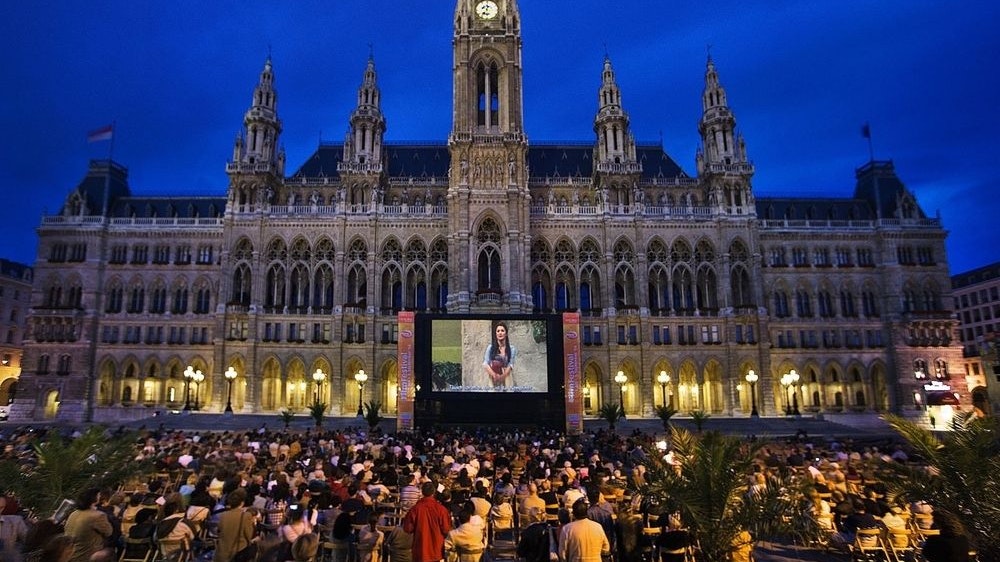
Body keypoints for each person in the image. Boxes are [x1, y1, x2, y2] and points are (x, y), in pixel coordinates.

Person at [402, 482, 452, 562]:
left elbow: (407, 529)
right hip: (436, 550)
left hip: (420, 550)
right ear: (434, 492)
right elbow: (446, 529)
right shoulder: (441, 510)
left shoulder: (415, 509)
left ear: (422, 492)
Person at [64, 487, 114, 562]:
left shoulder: (73, 514)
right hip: (88, 555)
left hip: (70, 555)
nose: (100, 497)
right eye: (98, 495)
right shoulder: (98, 515)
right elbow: (108, 532)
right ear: (94, 498)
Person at [215, 489, 258, 562]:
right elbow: (249, 535)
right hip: (238, 552)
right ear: (242, 503)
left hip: (222, 552)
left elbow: (219, 532)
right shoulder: (246, 516)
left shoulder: (223, 515)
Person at [483, 321, 517, 389]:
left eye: (502, 331)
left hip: (507, 377)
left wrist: (502, 377)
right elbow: (485, 364)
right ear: (496, 334)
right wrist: (494, 375)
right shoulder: (490, 348)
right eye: (498, 331)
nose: (500, 333)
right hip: (493, 377)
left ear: (506, 333)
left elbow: (510, 365)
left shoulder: (512, 349)